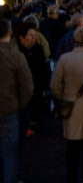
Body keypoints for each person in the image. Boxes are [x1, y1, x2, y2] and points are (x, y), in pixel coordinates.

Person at [50, 26, 83, 183]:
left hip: (70, 103)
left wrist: (61, 97)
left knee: (72, 146)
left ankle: (71, 176)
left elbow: (55, 84)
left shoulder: (65, 59)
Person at [0, 18, 33, 183]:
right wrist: (20, 105)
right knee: (10, 154)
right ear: (10, 33)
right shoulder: (16, 56)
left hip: (10, 107)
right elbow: (27, 86)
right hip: (10, 109)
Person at [13, 22, 50, 137]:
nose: (34, 38)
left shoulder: (37, 49)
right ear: (21, 38)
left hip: (36, 86)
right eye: (31, 35)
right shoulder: (15, 52)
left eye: (35, 35)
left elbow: (43, 67)